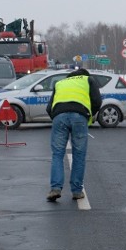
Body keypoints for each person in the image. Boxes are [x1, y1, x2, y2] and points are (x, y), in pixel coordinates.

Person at [45, 68, 102, 201]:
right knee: (79, 155)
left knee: (57, 154)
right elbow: (97, 101)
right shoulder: (88, 79)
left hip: (59, 116)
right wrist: (88, 114)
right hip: (79, 117)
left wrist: (57, 116)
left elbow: (49, 108)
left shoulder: (60, 82)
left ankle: (55, 189)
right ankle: (77, 191)